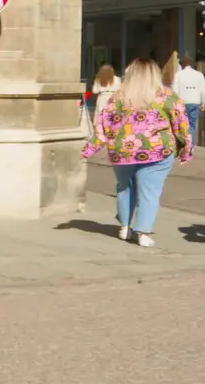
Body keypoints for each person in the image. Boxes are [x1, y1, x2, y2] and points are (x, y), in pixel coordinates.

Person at [82, 57, 193, 248]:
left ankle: (125, 227)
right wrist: (185, 149)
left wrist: (89, 149)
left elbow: (103, 125)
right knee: (150, 191)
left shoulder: (118, 97)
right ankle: (143, 232)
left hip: (122, 150)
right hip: (157, 150)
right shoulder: (167, 97)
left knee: (124, 187)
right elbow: (181, 125)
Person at [174, 55, 205, 144]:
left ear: (182, 65)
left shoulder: (178, 75)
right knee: (192, 125)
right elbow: (203, 90)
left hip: (181, 102)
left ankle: (182, 146)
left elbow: (175, 90)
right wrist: (203, 103)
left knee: (181, 125)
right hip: (195, 102)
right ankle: (190, 147)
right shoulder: (199, 75)